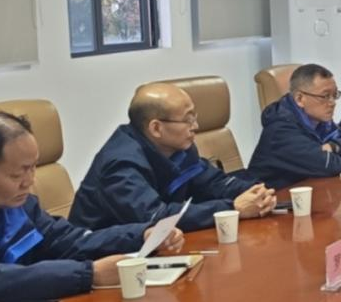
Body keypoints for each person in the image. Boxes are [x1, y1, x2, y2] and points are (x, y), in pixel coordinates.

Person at [0, 112, 184, 302]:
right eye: (17, 174)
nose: (29, 181)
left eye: (33, 168)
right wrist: (88, 275)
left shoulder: (13, 201)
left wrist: (142, 235)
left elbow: (68, 240)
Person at [70, 83, 276, 232]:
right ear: (156, 128)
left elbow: (213, 183)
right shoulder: (120, 165)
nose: (195, 126)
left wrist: (255, 192)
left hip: (159, 246)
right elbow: (156, 218)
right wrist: (232, 208)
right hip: (107, 261)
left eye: (194, 117)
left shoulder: (177, 147)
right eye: (188, 120)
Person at [246, 64, 341, 189]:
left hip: (308, 189)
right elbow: (330, 166)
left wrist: (335, 146)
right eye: (325, 96)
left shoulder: (321, 123)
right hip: (274, 197)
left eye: (334, 95)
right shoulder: (281, 131)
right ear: (299, 99)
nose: (332, 103)